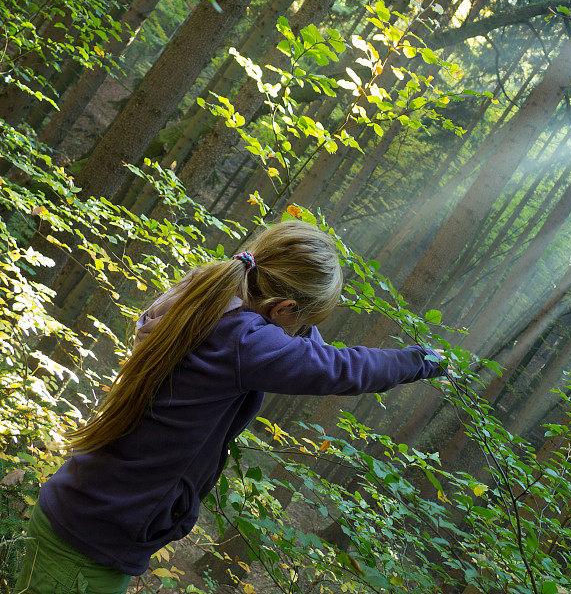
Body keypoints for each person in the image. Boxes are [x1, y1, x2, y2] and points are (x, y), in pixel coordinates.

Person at [14, 220, 446, 593]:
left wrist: (302, 331)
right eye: (304, 322)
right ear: (283, 309)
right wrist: (417, 362)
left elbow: (302, 350)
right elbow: (338, 368)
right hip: (92, 540)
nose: (303, 333)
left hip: (86, 511)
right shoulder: (242, 342)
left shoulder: (208, 298)